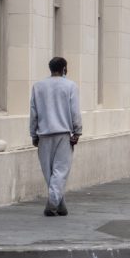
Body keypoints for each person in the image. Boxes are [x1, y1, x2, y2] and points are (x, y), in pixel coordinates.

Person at [29, 56, 82, 216]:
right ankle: (53, 204)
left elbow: (33, 113)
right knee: (60, 171)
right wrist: (77, 131)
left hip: (44, 134)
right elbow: (75, 111)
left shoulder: (38, 86)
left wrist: (33, 133)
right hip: (63, 134)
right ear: (64, 69)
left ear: (50, 69)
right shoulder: (70, 86)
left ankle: (60, 205)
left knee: (50, 172)